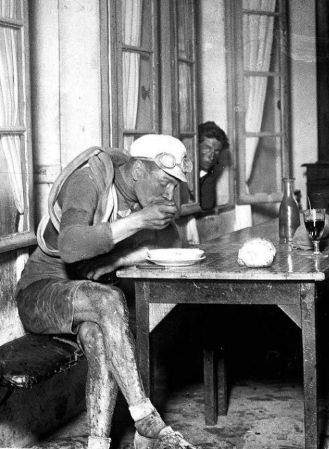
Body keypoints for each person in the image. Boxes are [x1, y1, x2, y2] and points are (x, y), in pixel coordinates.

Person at [15, 135, 197, 449]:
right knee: (111, 299)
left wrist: (123, 253)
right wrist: (139, 222)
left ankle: (98, 443)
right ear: (139, 170)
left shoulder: (140, 199)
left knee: (100, 338)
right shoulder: (89, 178)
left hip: (86, 303)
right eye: (165, 183)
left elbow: (169, 246)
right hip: (40, 295)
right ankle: (144, 416)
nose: (169, 193)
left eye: (173, 187)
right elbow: (70, 247)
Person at [198, 121, 229, 210]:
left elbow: (207, 206)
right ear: (195, 146)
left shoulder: (208, 175)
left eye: (217, 151)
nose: (212, 156)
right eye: (206, 148)